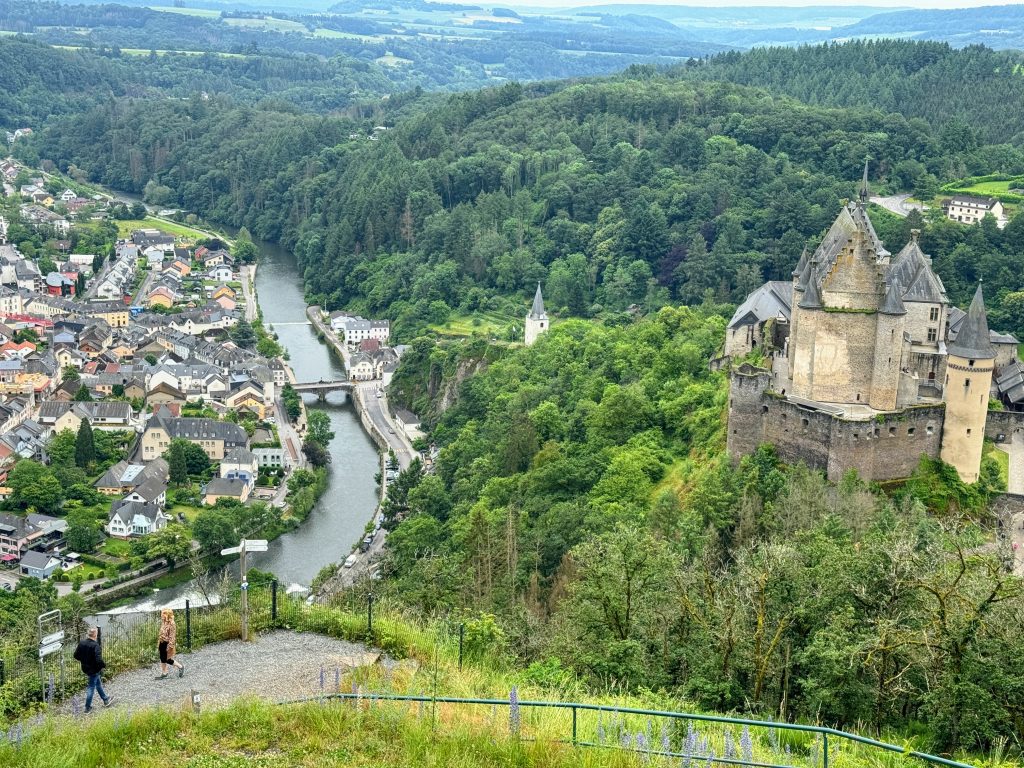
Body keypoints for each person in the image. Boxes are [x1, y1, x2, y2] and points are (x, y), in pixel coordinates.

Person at [73, 627, 113, 712]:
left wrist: (84, 660)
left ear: (88, 634)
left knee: (98, 683)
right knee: (91, 687)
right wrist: (103, 665)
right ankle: (87, 708)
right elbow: (98, 660)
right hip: (94, 670)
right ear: (95, 635)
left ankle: (106, 699)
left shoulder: (82, 643)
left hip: (85, 668)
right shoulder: (95, 645)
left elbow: (76, 655)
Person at [156, 608, 185, 680]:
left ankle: (180, 666)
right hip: (162, 642)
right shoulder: (164, 622)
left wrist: (170, 646)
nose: (161, 615)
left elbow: (172, 636)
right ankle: (164, 673)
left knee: (167, 659)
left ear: (167, 615)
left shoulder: (172, 623)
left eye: (163, 614)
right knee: (162, 658)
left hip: (167, 643)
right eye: (162, 614)